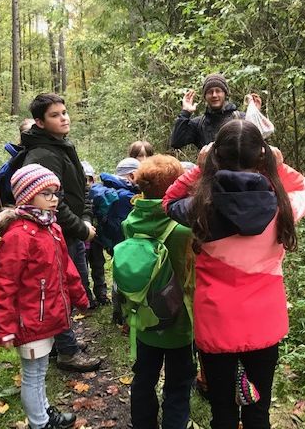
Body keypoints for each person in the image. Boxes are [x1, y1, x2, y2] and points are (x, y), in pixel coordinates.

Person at [163, 120, 305, 429]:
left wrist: (200, 168)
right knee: (257, 411)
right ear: (259, 156)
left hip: (216, 322)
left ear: (215, 157)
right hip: (265, 322)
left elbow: (169, 201)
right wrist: (276, 165)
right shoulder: (283, 206)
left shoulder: (201, 208)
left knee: (222, 411)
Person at [0, 164, 89, 429]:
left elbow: (66, 266)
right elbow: (3, 284)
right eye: (46, 193)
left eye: (55, 193)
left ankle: (44, 411)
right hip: (30, 318)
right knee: (33, 374)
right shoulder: (19, 236)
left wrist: (79, 294)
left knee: (41, 371)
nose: (54, 199)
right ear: (27, 196)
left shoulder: (50, 228)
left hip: (48, 314)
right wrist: (4, 328)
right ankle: (39, 423)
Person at [20, 93, 100, 373]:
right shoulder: (42, 155)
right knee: (60, 290)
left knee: (67, 286)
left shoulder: (61, 146)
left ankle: (60, 343)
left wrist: (86, 218)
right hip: (56, 233)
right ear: (40, 122)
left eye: (64, 112)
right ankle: (67, 351)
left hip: (70, 231)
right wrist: (81, 229)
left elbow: (80, 188)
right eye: (55, 115)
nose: (63, 118)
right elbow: (55, 203)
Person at [124, 154, 195, 429]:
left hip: (143, 313)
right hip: (179, 318)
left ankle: (143, 423)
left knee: (144, 375)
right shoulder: (182, 229)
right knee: (179, 381)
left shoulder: (131, 221)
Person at [88, 157, 141, 324]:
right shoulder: (125, 194)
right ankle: (123, 315)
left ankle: (118, 314)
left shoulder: (108, 188)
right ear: (132, 174)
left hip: (113, 241)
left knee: (119, 275)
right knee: (127, 277)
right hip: (125, 240)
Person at [170, 73, 262, 150]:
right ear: (205, 96)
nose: (214, 95)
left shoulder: (242, 118)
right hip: (211, 171)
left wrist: (255, 115)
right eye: (210, 92)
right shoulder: (199, 124)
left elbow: (258, 143)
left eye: (218, 91)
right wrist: (185, 112)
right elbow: (176, 142)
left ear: (225, 94)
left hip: (240, 170)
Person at [81, 161, 109, 307]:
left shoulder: (98, 194)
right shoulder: (76, 198)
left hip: (96, 238)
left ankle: (101, 293)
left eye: (89, 179)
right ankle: (86, 297)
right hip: (82, 237)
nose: (87, 183)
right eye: (84, 179)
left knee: (98, 264)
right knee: (82, 267)